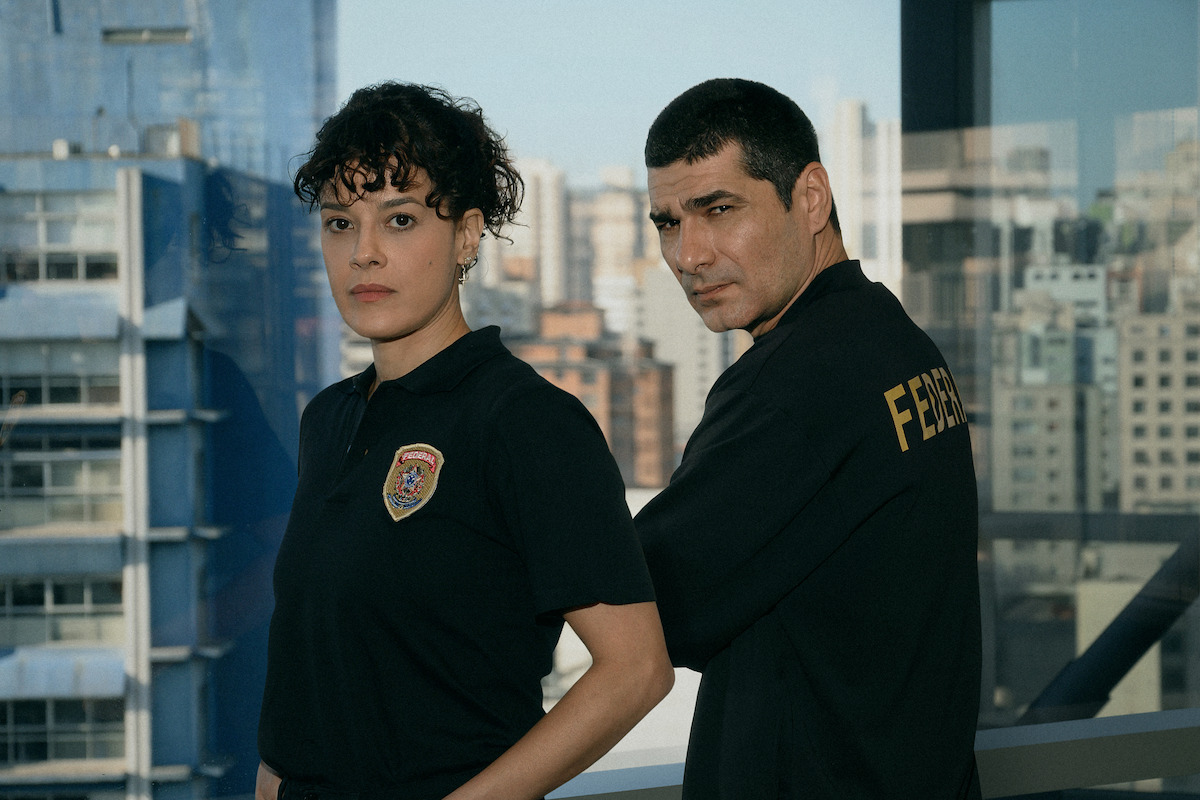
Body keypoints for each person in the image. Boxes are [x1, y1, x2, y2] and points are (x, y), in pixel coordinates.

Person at [255, 82, 673, 800]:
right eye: (338, 224)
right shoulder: (327, 419)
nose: (364, 254)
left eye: (401, 219)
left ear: (467, 234)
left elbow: (636, 670)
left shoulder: (524, 421)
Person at [635, 78, 982, 798]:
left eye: (718, 210)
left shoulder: (794, 381)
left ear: (811, 198)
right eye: (667, 222)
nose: (688, 254)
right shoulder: (896, 341)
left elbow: (645, 609)